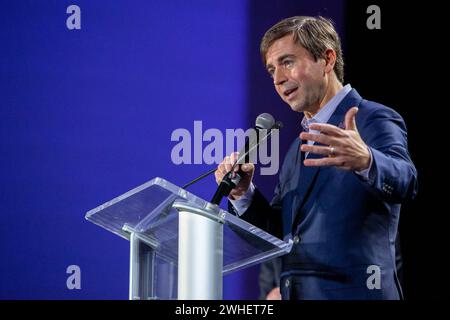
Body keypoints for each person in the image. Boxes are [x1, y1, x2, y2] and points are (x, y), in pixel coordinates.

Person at [215, 16, 418, 299]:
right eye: (271, 70)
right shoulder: (297, 149)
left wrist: (367, 159)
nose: (277, 79)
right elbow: (280, 231)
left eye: (287, 62)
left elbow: (406, 181)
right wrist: (243, 193)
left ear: (327, 59)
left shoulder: (372, 118)